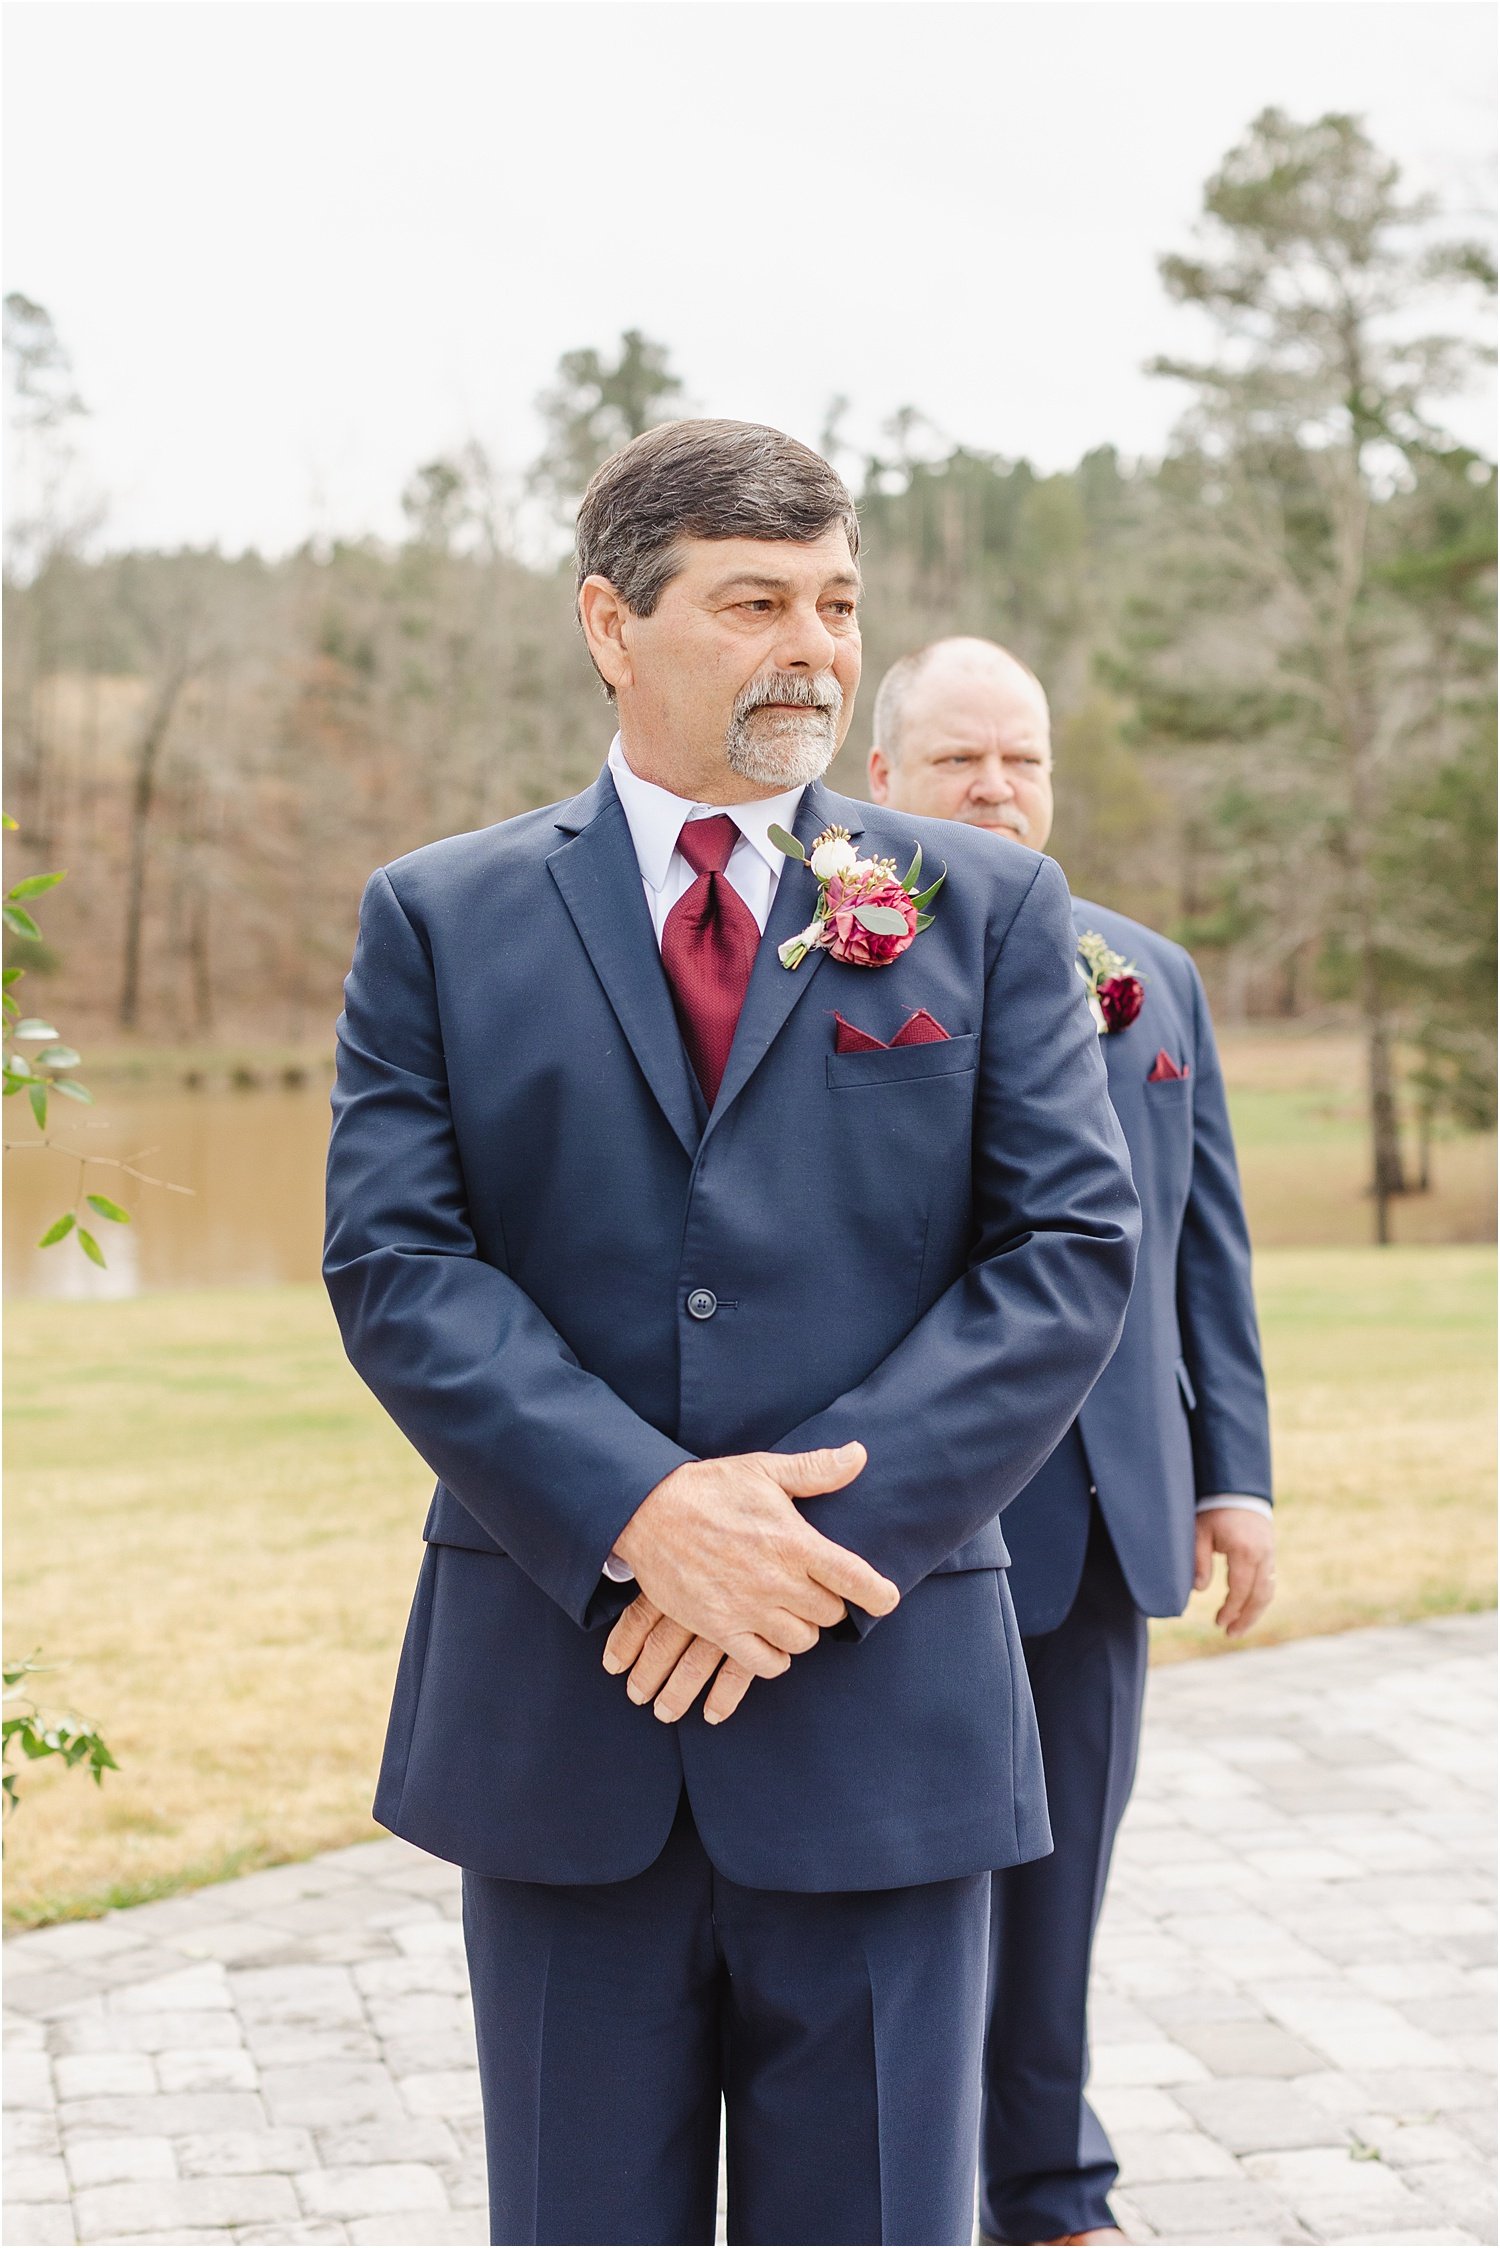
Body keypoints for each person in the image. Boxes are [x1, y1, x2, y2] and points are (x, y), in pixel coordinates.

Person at [325, 427, 1140, 2248]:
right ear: (613, 624)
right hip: (567, 1706)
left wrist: (797, 1551)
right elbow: (397, 1266)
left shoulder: (984, 908)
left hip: (883, 1716)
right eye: (754, 602)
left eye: (838, 605)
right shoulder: (439, 921)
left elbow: (1071, 1251)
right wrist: (643, 1516)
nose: (813, 649)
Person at [869, 636, 1275, 2248]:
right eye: (961, 759)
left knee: (1059, 1901)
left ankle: (1049, 2197)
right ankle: (896, 2196)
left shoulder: (1147, 974)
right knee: (906, 1898)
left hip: (1109, 1517)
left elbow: (1204, 1254)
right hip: (904, 1530)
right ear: (880, 778)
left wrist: (1232, 1475)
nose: (996, 788)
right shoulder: (830, 964)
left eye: (1021, 760)